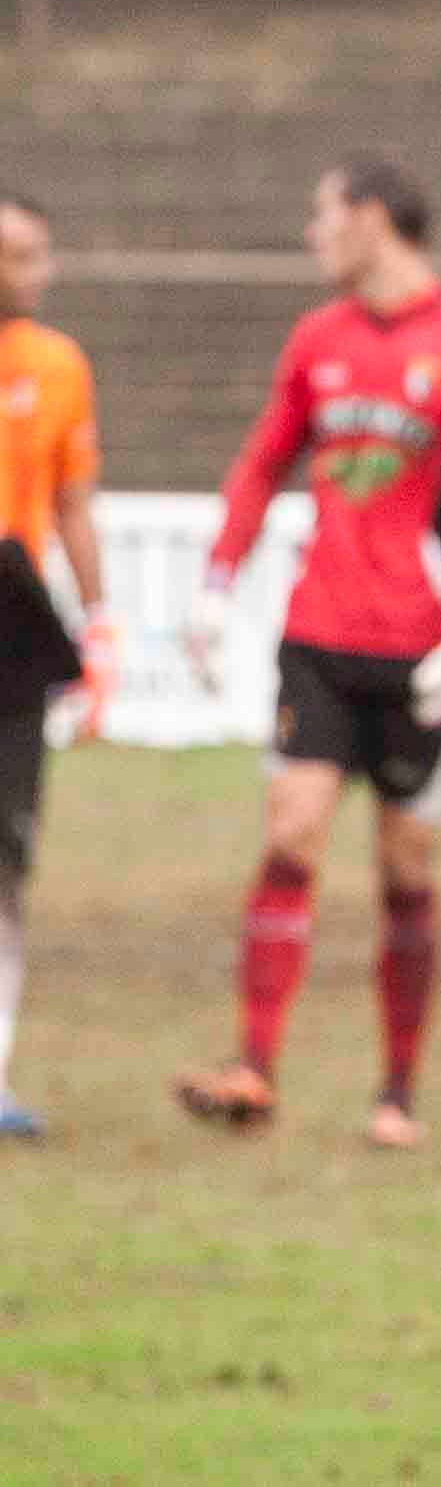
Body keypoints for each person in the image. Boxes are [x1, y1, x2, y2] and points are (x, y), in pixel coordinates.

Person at [170, 151, 441, 1150]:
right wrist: (214, 582)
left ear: (374, 219)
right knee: (290, 831)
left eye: (323, 214)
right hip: (319, 637)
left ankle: (397, 1095)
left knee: (406, 870)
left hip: (425, 655)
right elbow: (259, 464)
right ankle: (253, 1069)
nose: (312, 233)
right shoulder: (316, 339)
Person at [0, 190, 111, 1143]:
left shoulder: (58, 366)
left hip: (11, 620)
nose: (37, 273)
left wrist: (100, 620)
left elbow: (73, 502)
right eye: (19, 255)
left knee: (5, 856)